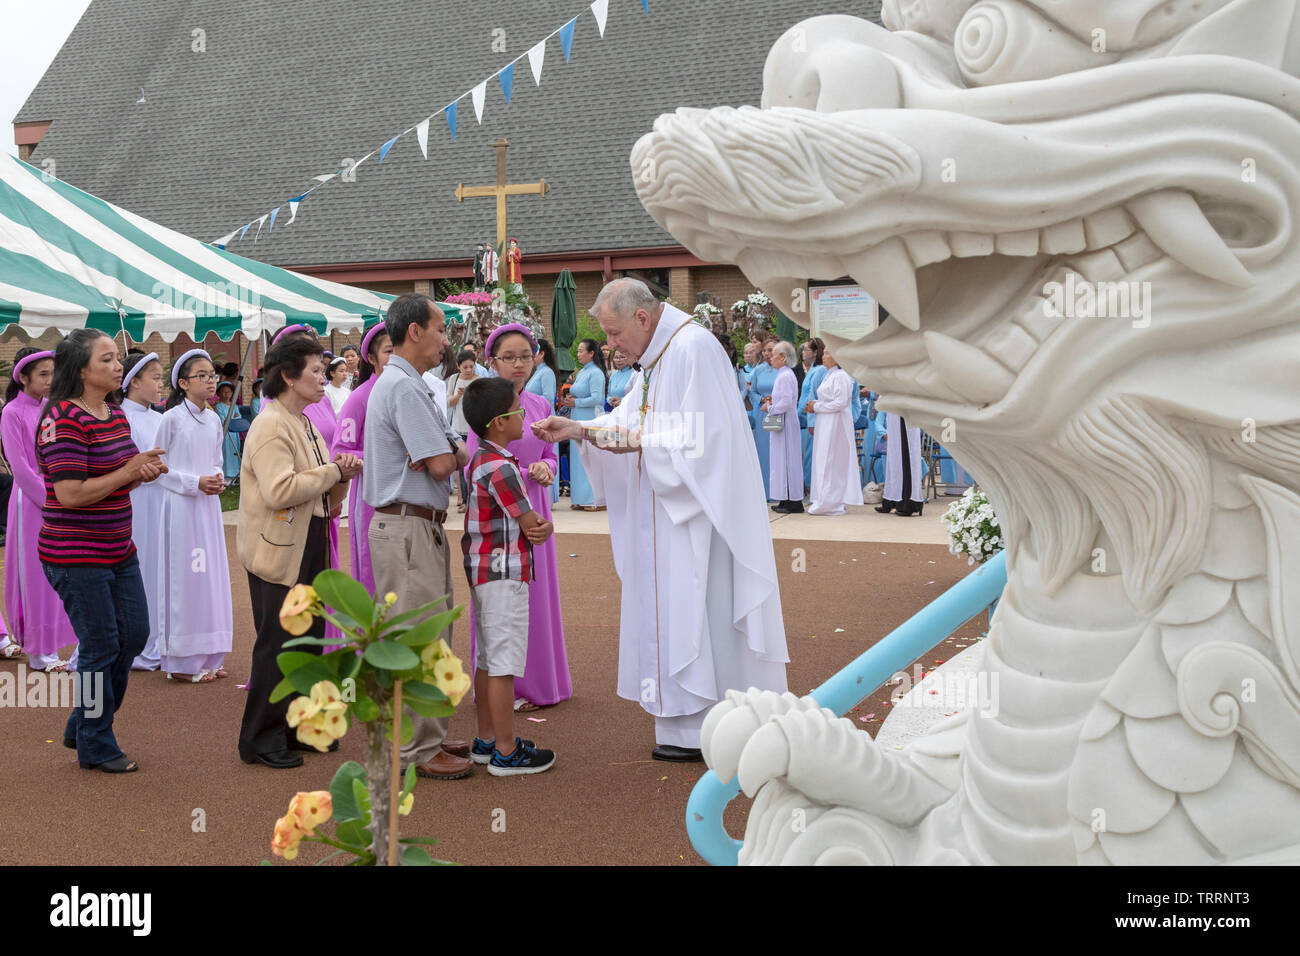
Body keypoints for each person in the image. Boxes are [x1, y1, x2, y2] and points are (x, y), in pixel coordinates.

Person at [532, 278, 789, 761]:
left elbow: (705, 440)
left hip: (695, 517)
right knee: (672, 610)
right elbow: (628, 421)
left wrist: (638, 442)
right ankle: (681, 725)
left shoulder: (692, 348)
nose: (609, 345)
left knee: (699, 611)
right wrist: (579, 430)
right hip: (663, 515)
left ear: (642, 318)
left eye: (612, 333)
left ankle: (714, 725)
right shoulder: (654, 360)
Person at [37, 329, 169, 772]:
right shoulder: (63, 419)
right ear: (81, 370)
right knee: (100, 645)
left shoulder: (112, 415)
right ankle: (96, 741)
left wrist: (142, 471)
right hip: (75, 555)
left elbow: (122, 473)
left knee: (133, 635)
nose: (119, 366)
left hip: (117, 547)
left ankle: (83, 722)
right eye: (109, 359)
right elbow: (71, 493)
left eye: (117, 359)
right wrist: (128, 471)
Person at [237, 334, 361, 769]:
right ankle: (260, 738)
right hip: (280, 550)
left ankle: (298, 727)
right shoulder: (272, 424)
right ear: (288, 376)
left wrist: (341, 474)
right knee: (280, 643)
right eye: (315, 370)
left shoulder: (303, 420)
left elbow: (324, 488)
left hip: (309, 540)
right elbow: (279, 490)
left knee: (307, 641)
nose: (323, 378)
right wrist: (333, 471)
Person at [363, 293, 473, 781]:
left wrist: (444, 449)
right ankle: (415, 750)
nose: (445, 340)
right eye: (440, 329)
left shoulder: (407, 384)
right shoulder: (406, 389)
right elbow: (446, 462)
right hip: (407, 524)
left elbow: (440, 456)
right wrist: (451, 448)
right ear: (415, 332)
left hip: (411, 523)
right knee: (419, 637)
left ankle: (425, 736)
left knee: (426, 633)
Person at [466, 324, 570, 712]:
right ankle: (503, 691)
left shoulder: (541, 404)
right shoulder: (483, 403)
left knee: (537, 596)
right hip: (501, 515)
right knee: (502, 599)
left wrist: (545, 468)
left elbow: (550, 455)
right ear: (491, 361)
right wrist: (525, 474)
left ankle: (543, 683)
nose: (519, 364)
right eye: (508, 357)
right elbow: (472, 466)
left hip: (536, 506)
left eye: (526, 355)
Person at [461, 377, 557, 774]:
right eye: (518, 411)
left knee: (487, 658)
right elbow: (531, 522)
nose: (524, 417)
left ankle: (486, 738)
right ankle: (505, 749)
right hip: (504, 572)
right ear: (500, 421)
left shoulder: (482, 460)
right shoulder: (502, 467)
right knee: (502, 663)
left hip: (485, 570)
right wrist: (546, 528)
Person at [153, 349, 233, 683]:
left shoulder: (214, 418)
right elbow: (156, 467)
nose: (210, 380)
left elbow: (215, 459)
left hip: (207, 507)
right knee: (184, 579)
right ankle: (181, 662)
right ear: (183, 384)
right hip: (180, 508)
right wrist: (193, 482)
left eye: (211, 374)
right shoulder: (171, 419)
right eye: (201, 375)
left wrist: (215, 478)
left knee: (210, 578)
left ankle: (211, 654)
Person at [1, 347, 79, 671]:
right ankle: (39, 652)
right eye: (43, 374)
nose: (50, 380)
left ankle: (58, 645)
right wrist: (52, 499)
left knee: (58, 574)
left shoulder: (52, 409)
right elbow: (19, 468)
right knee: (35, 575)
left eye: (52, 373)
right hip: (31, 501)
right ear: (23, 377)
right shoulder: (12, 413)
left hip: (57, 495)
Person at [331, 322, 392, 592]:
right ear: (371, 358)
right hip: (371, 498)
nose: (397, 358)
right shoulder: (359, 398)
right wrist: (379, 457)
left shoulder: (414, 393)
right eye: (390, 351)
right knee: (372, 573)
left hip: (411, 499)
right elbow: (340, 451)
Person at [118, 350, 167, 671]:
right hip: (136, 504)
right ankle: (138, 644)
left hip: (161, 501)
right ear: (133, 381)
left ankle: (158, 638)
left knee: (160, 568)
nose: (161, 385)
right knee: (143, 566)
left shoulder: (160, 418)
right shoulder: (122, 418)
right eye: (156, 378)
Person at [805, 347, 865, 516]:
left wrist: (816, 406)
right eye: (823, 353)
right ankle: (824, 498)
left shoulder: (842, 376)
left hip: (835, 425)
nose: (823, 356)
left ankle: (832, 501)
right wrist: (814, 405)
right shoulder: (829, 375)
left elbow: (840, 403)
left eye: (827, 353)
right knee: (823, 459)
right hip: (825, 422)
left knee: (831, 460)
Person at [563, 338, 606, 511]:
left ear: (591, 353)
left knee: (588, 457)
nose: (579, 354)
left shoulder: (596, 373)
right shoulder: (582, 372)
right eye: (578, 351)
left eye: (581, 351)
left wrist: (577, 403)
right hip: (577, 417)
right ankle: (580, 497)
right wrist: (571, 400)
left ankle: (593, 498)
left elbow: (598, 399)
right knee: (577, 457)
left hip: (589, 418)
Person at [762, 341, 804, 514]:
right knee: (781, 459)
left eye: (773, 354)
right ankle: (785, 498)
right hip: (782, 419)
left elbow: (786, 402)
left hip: (785, 421)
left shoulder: (785, 375)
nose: (770, 357)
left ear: (783, 357)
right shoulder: (783, 374)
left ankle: (792, 500)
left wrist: (770, 408)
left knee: (787, 459)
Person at [526, 339, 561, 505]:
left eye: (535, 352)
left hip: (543, 418)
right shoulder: (537, 372)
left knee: (545, 455)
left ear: (542, 354)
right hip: (534, 418)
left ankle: (548, 495)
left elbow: (548, 397)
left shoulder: (546, 372)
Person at [878, 411, 926, 516]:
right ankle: (890, 500)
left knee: (906, 456)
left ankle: (908, 504)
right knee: (894, 458)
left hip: (905, 412)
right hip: (894, 413)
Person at [747, 338, 777, 500]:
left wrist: (775, 399)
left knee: (776, 450)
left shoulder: (784, 370)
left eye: (770, 350)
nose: (767, 353)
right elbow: (752, 391)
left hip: (777, 411)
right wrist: (761, 399)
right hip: (762, 412)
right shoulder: (758, 371)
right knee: (763, 451)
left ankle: (778, 490)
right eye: (765, 350)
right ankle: (763, 491)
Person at [798, 338, 827, 490]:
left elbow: (814, 396)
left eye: (806, 349)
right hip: (802, 416)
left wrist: (811, 420)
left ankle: (811, 486)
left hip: (810, 416)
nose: (802, 352)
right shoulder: (812, 369)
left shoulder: (820, 370)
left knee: (810, 454)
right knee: (806, 453)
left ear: (816, 352)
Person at [214, 380, 246, 482]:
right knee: (226, 453)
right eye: (223, 392)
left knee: (234, 452)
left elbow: (238, 418)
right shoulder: (219, 406)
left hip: (234, 434)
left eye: (228, 392)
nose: (226, 394)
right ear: (219, 393)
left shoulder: (234, 406)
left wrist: (233, 419)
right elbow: (223, 420)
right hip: (226, 434)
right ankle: (227, 475)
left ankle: (236, 474)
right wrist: (233, 418)